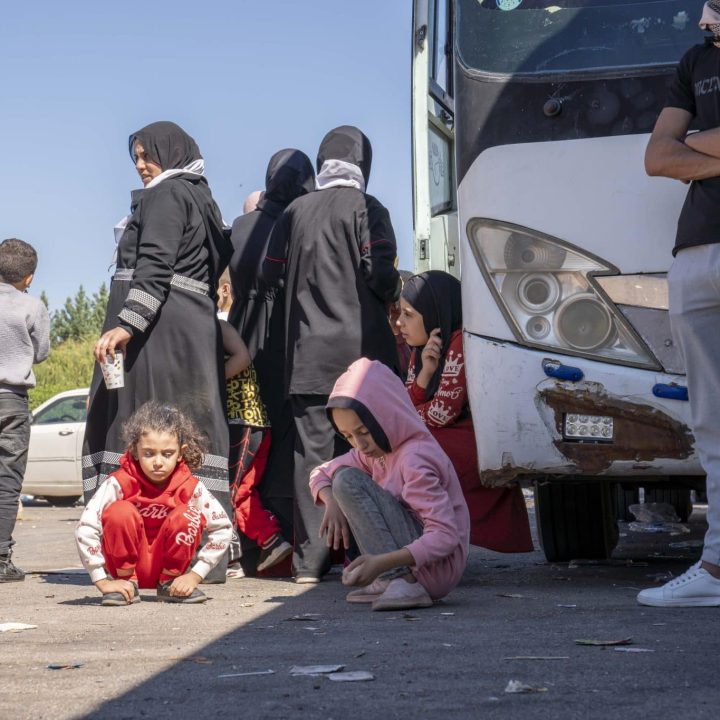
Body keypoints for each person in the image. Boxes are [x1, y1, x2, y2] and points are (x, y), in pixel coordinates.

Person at [82, 122, 233, 578]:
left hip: (158, 334)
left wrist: (127, 323)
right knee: (184, 424)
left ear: (170, 153)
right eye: (136, 159)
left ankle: (132, 551)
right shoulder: (200, 196)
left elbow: (155, 266)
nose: (142, 166)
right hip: (184, 331)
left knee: (140, 422)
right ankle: (191, 554)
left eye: (148, 156)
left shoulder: (168, 195)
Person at [263, 126, 401, 582]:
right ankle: (368, 554)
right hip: (364, 364)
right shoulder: (368, 208)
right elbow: (380, 274)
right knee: (371, 453)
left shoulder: (296, 211)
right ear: (364, 163)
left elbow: (270, 275)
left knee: (312, 459)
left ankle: (309, 563)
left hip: (307, 359)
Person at [638, 1, 720, 607]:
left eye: (712, 7)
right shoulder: (696, 62)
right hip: (694, 256)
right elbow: (658, 157)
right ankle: (717, 569)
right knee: (712, 423)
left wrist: (697, 148)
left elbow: (679, 151)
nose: (701, 19)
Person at [309, 358, 469, 611]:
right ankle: (393, 579)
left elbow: (445, 536)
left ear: (386, 414)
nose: (359, 444)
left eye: (363, 431)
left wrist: (381, 563)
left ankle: (401, 580)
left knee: (347, 480)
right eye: (349, 436)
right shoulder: (376, 452)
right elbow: (320, 472)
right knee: (340, 479)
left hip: (435, 568)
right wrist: (331, 502)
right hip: (415, 561)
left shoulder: (414, 457)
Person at [397, 271, 533, 553]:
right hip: (447, 435)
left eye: (408, 314)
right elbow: (407, 406)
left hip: (470, 439)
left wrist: (413, 412)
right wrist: (426, 374)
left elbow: (441, 413)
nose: (400, 323)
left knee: (410, 450)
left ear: (433, 311)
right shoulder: (420, 351)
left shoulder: (459, 342)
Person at [229, 152, 315, 554]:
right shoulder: (299, 222)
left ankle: (250, 538)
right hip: (288, 333)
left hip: (244, 332)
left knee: (248, 432)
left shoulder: (241, 226)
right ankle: (287, 533)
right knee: (286, 433)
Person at [76, 402, 232, 605]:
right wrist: (102, 581)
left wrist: (195, 575)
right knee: (119, 512)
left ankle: (169, 584)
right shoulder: (119, 483)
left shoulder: (190, 486)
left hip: (170, 570)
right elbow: (86, 527)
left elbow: (223, 528)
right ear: (134, 450)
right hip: (125, 570)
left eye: (167, 454)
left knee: (188, 514)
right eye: (149, 453)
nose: (158, 462)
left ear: (180, 453)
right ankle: (126, 585)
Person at [0, 238, 50, 582]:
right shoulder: (33, 305)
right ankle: (1, 557)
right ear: (28, 277)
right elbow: (41, 351)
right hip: (12, 400)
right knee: (6, 481)